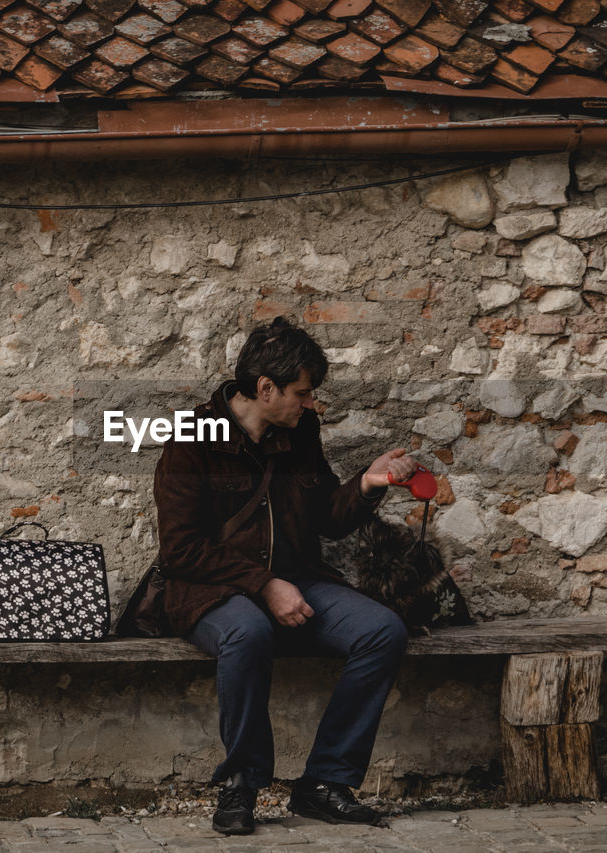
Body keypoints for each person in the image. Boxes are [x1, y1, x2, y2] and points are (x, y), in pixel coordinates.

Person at [151, 316, 417, 835]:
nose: (310, 403)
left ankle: (324, 784)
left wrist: (368, 482)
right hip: (211, 590)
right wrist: (264, 584)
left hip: (298, 579)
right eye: (302, 392)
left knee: (382, 631)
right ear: (264, 388)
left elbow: (328, 519)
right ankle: (242, 784)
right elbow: (181, 549)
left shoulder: (301, 435)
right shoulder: (189, 439)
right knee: (248, 633)